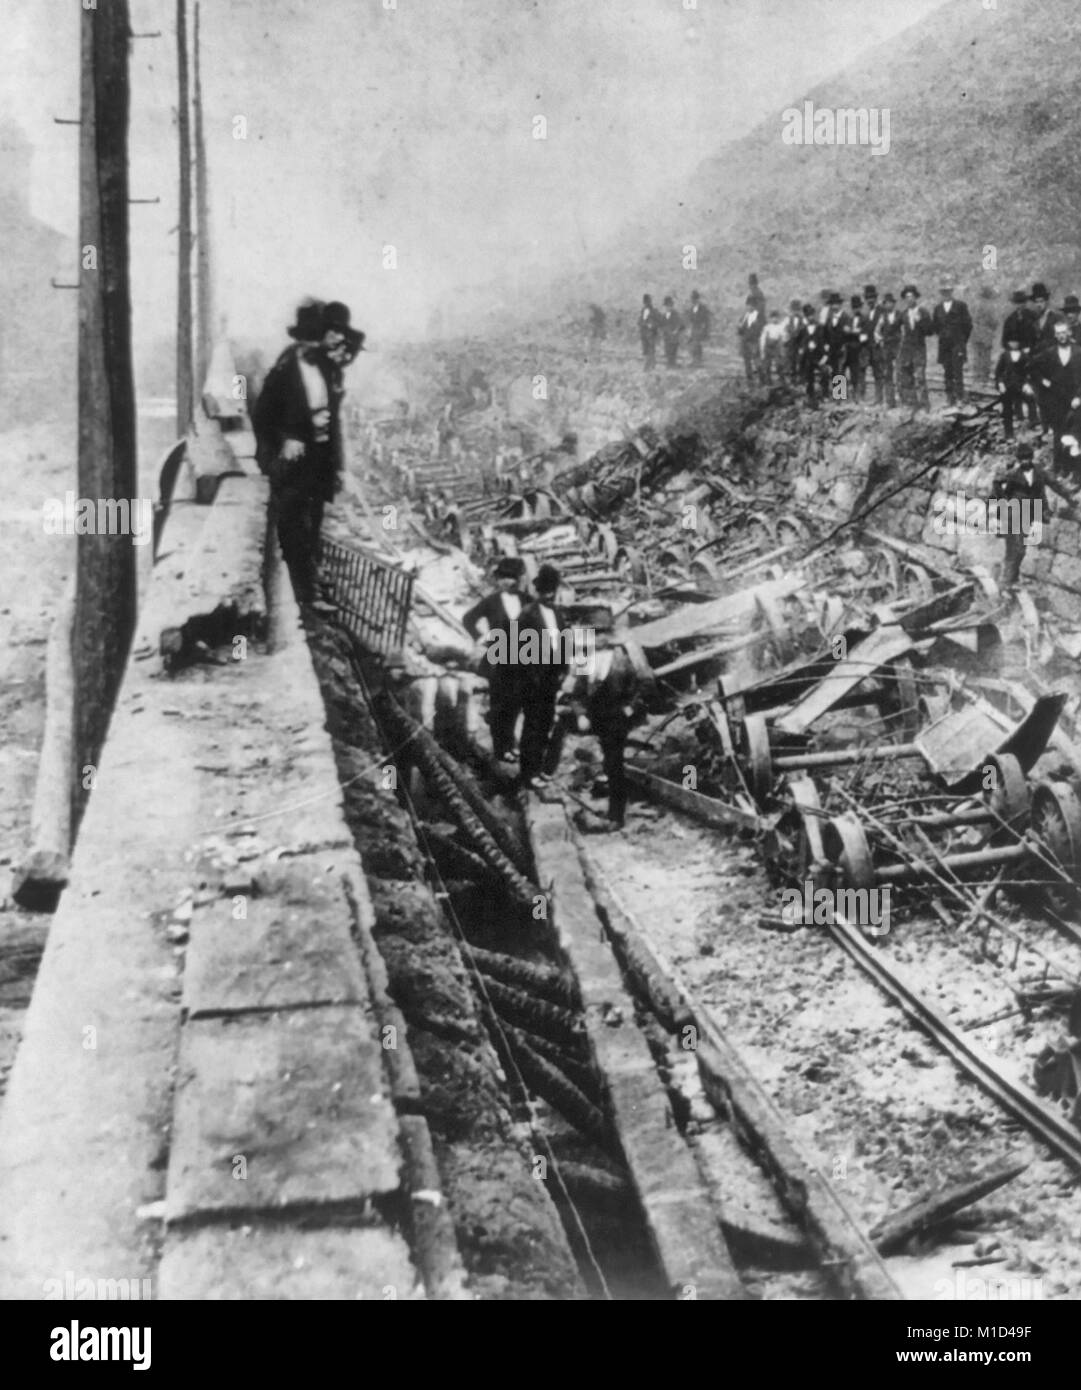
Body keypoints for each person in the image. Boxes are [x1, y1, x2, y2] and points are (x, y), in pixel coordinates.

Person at [253, 298, 360, 603]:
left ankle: (311, 581)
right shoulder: (284, 371)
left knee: (314, 521)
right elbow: (262, 418)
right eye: (316, 336)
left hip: (319, 459)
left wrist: (339, 466)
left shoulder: (326, 368)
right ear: (302, 339)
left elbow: (334, 420)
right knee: (295, 526)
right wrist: (285, 439)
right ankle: (305, 595)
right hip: (293, 463)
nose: (322, 342)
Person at [556, 607, 651, 832]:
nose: (598, 638)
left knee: (613, 764)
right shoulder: (583, 659)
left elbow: (642, 686)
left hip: (616, 717)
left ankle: (616, 816)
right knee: (598, 761)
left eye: (602, 633)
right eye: (593, 633)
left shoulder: (622, 659)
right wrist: (580, 715)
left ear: (609, 635)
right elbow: (575, 694)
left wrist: (629, 708)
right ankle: (593, 798)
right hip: (594, 717)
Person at [463, 557, 527, 763]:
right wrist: (482, 638)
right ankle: (501, 749)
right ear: (498, 579)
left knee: (517, 702)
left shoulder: (526, 600)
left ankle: (511, 743)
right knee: (500, 704)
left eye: (512, 578)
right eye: (504, 578)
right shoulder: (491, 601)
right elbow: (468, 619)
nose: (508, 582)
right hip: (498, 657)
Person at [517, 564, 570, 790]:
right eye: (546, 591)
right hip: (533, 678)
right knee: (533, 725)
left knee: (546, 722)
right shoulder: (527, 615)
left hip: (552, 677)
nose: (549, 595)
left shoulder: (557, 614)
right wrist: (530, 677)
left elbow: (564, 642)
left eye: (552, 591)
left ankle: (540, 769)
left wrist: (564, 670)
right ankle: (528, 774)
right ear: (539, 592)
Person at [991, 443, 1051, 590]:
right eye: (1022, 459)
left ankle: (1012, 578)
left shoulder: (1039, 472)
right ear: (1018, 460)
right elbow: (996, 482)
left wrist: (1070, 498)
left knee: (1020, 548)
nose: (1025, 462)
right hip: (1013, 513)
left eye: (1028, 458)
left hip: (1030, 513)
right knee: (1015, 548)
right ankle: (1006, 582)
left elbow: (1054, 484)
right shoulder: (1012, 474)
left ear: (1031, 458)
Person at [1032, 320, 1081, 472]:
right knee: (1058, 432)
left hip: (1074, 399)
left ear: (1070, 333)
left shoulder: (1078, 352)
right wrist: (1043, 381)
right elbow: (1032, 367)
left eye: (1064, 332)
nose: (1062, 336)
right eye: (1059, 333)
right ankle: (1058, 467)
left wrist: (1079, 396)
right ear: (1055, 335)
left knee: (1073, 434)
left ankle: (1073, 470)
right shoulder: (1049, 353)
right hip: (1056, 399)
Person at [932, 281, 973, 405]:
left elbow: (968, 325)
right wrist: (943, 336)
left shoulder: (960, 306)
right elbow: (935, 326)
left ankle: (960, 396)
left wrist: (961, 341)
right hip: (944, 345)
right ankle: (950, 397)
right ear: (941, 293)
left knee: (958, 371)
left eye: (948, 291)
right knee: (947, 371)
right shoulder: (937, 308)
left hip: (957, 344)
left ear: (951, 292)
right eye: (943, 292)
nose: (946, 294)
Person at [994, 337, 1038, 441]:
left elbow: (1030, 372)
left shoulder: (1025, 356)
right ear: (1008, 342)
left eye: (1016, 341)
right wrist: (1000, 383)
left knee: (1031, 399)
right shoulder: (1004, 356)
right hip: (1007, 385)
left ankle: (1033, 424)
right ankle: (1009, 433)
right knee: (1007, 409)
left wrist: (1027, 384)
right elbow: (998, 372)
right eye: (1011, 341)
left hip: (1021, 384)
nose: (1014, 343)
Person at [898, 285, 932, 411]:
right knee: (907, 377)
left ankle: (924, 405)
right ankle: (912, 404)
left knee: (920, 377)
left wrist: (920, 321)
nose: (909, 299)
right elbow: (895, 329)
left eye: (911, 296)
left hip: (919, 349)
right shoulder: (903, 314)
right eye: (906, 297)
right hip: (907, 350)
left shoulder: (923, 312)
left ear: (915, 298)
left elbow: (930, 331)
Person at [871, 289, 901, 407]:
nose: (888, 305)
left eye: (890, 302)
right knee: (840, 373)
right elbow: (876, 331)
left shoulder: (845, 317)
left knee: (897, 372)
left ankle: (897, 398)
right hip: (840, 350)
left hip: (894, 346)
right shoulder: (826, 317)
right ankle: (840, 399)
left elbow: (875, 330)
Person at [845, 295, 871, 402]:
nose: (856, 309)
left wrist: (852, 332)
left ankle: (861, 397)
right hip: (849, 351)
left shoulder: (865, 319)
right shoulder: (849, 319)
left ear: (861, 307)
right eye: (854, 307)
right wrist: (854, 331)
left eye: (858, 307)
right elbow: (845, 333)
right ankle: (841, 397)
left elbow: (864, 336)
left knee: (860, 374)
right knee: (845, 373)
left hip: (861, 351)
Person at [971, 286, 999, 386]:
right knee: (985, 358)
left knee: (977, 357)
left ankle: (977, 378)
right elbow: (994, 321)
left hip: (976, 334)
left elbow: (972, 319)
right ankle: (984, 379)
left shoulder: (975, 305)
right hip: (986, 335)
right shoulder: (990, 306)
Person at [738, 296, 764, 384]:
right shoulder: (745, 316)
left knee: (757, 361)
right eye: (748, 305)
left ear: (755, 306)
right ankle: (750, 379)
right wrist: (740, 328)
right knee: (747, 361)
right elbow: (740, 331)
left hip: (754, 341)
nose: (749, 307)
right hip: (745, 342)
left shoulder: (759, 316)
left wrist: (750, 334)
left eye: (751, 305)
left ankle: (762, 379)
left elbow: (759, 329)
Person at [1031, 283, 1063, 349]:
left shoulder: (1055, 317)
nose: (1039, 305)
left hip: (1051, 354)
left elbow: (1058, 338)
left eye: (1041, 301)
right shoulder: (1033, 319)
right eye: (1036, 302)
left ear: (1046, 301)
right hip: (1036, 355)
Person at [760, 309, 788, 384]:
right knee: (767, 365)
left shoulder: (780, 327)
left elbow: (784, 337)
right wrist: (762, 350)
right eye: (773, 317)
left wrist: (782, 346)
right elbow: (762, 339)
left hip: (776, 347)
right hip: (768, 348)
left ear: (778, 318)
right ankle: (768, 381)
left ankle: (782, 380)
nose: (774, 319)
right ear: (770, 318)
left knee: (779, 365)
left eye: (776, 317)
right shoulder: (767, 327)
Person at [687, 290, 711, 366]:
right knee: (692, 345)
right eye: (692, 299)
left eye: (695, 299)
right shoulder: (691, 309)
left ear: (698, 299)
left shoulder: (703, 308)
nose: (693, 300)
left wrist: (704, 329)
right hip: (693, 328)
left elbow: (706, 320)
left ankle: (698, 361)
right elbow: (690, 320)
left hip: (700, 328)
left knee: (697, 344)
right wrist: (689, 329)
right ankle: (694, 360)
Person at [660, 296, 684, 368]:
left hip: (674, 337)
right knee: (667, 351)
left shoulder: (676, 314)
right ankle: (670, 364)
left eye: (669, 306)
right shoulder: (664, 315)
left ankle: (672, 365)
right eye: (666, 306)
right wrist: (663, 331)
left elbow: (681, 324)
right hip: (667, 336)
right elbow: (661, 325)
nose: (667, 307)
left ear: (671, 306)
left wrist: (676, 330)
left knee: (673, 351)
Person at [783, 299, 805, 380]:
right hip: (791, 343)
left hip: (800, 343)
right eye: (794, 310)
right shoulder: (788, 319)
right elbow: (784, 330)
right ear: (791, 310)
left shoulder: (803, 320)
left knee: (801, 360)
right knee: (791, 360)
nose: (796, 312)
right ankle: (793, 376)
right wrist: (786, 339)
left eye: (797, 310)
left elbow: (805, 333)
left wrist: (803, 345)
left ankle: (802, 377)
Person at [638, 294, 660, 370]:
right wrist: (643, 324)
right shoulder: (643, 310)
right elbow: (640, 321)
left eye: (648, 302)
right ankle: (650, 365)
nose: (647, 304)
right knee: (646, 350)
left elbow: (658, 322)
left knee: (651, 350)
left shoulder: (654, 311)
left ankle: (650, 366)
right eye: (646, 302)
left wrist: (652, 326)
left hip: (651, 333)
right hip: (644, 333)